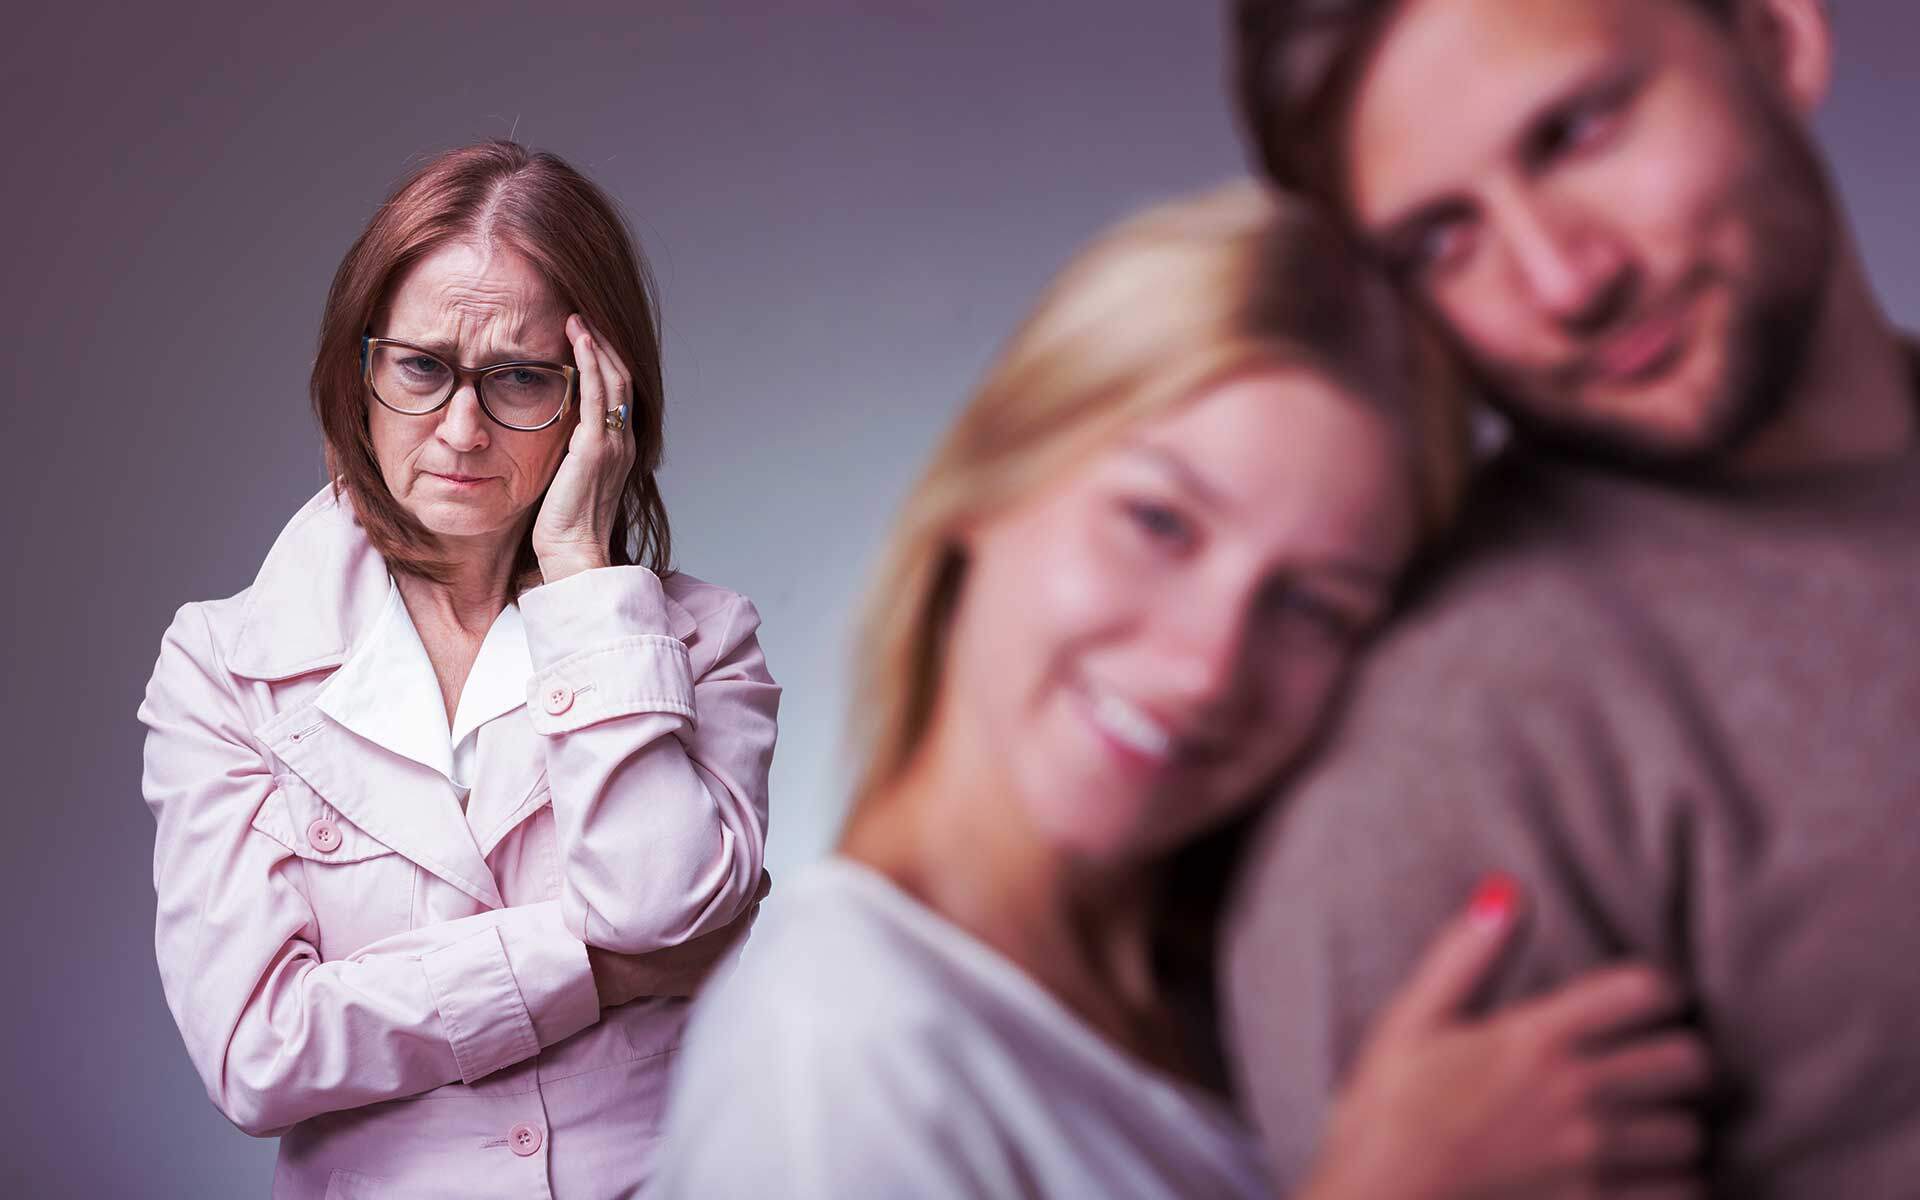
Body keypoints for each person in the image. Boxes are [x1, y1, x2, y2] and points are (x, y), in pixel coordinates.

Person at [652, 183, 1709, 1199]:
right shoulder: (832, 1049)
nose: (1209, 666)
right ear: (990, 477)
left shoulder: (1215, 996)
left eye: (1315, 606)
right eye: (1158, 522)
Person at [1225, 1, 1920, 1194]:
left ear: (1777, 36)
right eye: (1442, 240)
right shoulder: (1463, 749)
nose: (1564, 281)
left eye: (1576, 133)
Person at [138, 140, 780, 1198]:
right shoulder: (225, 667)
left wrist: (582, 573)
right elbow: (257, 1052)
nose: (463, 429)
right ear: (358, 372)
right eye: (422, 368)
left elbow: (661, 911)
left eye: (521, 378)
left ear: (602, 402)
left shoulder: (703, 641)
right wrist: (590, 971)